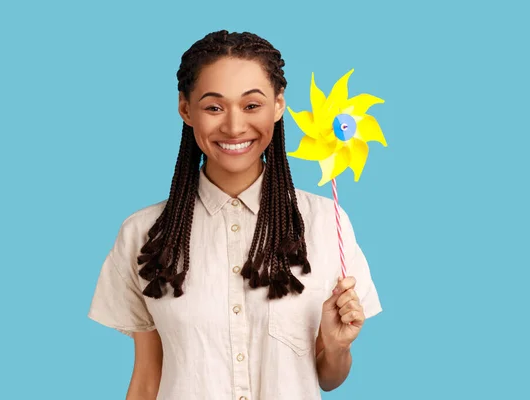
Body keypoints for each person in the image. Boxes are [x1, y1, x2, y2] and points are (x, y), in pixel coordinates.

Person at [87, 30, 382, 400]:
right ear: (185, 109)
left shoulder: (326, 223)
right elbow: (148, 378)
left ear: (278, 105)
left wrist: (338, 346)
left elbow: (327, 377)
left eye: (252, 105)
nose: (233, 126)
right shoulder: (143, 234)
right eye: (214, 107)